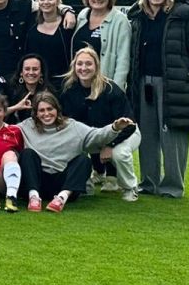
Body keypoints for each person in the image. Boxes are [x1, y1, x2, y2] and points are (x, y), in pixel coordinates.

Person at [126, 0, 189, 199]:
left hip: (174, 84)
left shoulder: (182, 15)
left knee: (173, 136)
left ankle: (173, 186)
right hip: (144, 84)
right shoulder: (137, 17)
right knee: (147, 136)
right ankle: (148, 182)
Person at [19, 91, 136, 212]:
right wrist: (14, 108)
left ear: (57, 110)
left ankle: (61, 199)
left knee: (84, 160)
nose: (46, 114)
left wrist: (114, 127)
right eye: (41, 110)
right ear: (36, 113)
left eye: (50, 109)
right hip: (37, 182)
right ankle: (33, 197)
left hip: (64, 184)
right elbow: (5, 128)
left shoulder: (72, 126)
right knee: (27, 154)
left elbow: (97, 135)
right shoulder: (27, 126)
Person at [60, 47, 141, 201]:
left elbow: (129, 124)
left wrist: (110, 145)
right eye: (80, 64)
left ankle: (130, 188)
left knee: (119, 154)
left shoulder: (110, 89)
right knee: (70, 147)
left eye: (88, 64)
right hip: (95, 136)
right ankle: (85, 184)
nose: (84, 68)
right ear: (74, 66)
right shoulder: (69, 90)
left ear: (96, 66)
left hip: (124, 134)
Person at [74, 0, 130, 89]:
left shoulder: (120, 20)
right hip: (80, 83)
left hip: (104, 86)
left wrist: (116, 90)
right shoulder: (82, 15)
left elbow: (123, 60)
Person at [24, 0, 74, 85]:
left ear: (58, 1)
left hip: (61, 81)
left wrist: (69, 11)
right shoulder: (31, 20)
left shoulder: (68, 23)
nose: (46, 2)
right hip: (34, 79)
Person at [5, 53, 54, 125]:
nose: (31, 72)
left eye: (35, 69)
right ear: (21, 73)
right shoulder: (11, 91)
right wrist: (16, 107)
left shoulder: (50, 92)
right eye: (27, 69)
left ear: (41, 73)